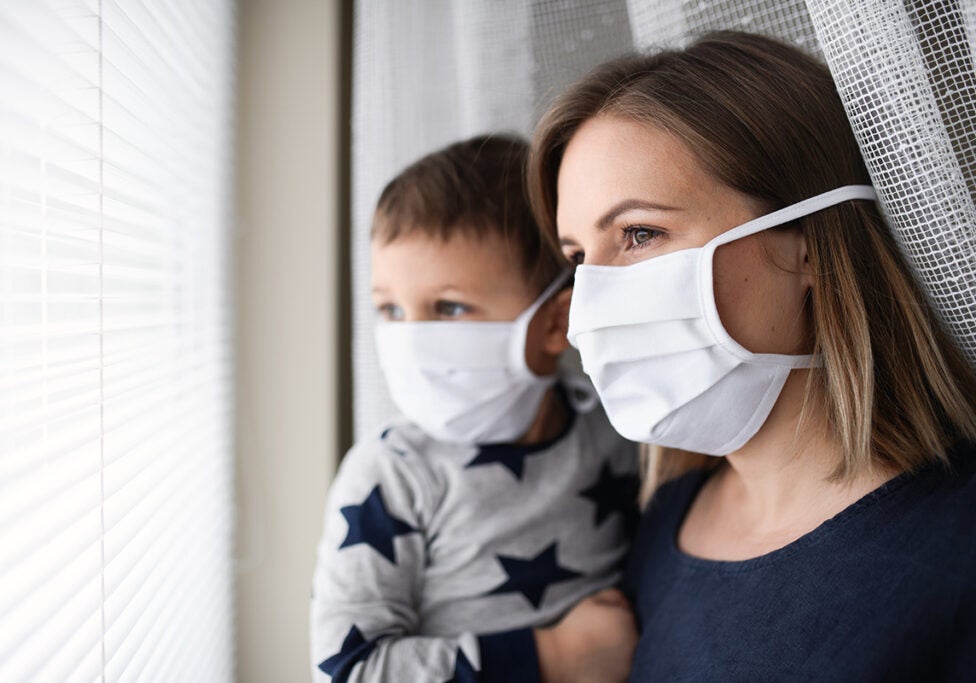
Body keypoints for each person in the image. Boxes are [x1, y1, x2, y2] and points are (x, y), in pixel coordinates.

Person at [517, 30, 976, 682]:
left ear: (805, 245)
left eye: (639, 233)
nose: (588, 304)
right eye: (577, 258)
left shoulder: (956, 548)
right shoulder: (655, 528)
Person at [310, 134, 638, 682]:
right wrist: (553, 657)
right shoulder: (390, 474)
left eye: (450, 307)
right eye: (389, 308)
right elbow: (346, 670)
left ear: (556, 322)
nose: (411, 339)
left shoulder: (617, 434)